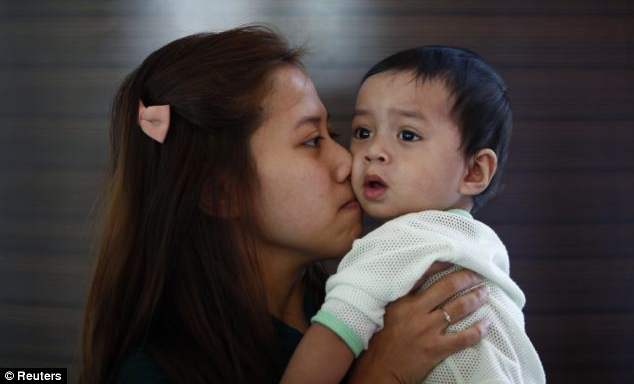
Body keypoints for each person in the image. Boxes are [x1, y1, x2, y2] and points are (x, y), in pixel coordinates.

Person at [79, 28, 491, 384]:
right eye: (312, 141)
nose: (348, 162)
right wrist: (380, 374)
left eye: (335, 135)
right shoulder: (155, 372)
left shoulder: (372, 297)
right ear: (222, 192)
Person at [282, 47, 546, 383]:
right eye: (363, 132)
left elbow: (333, 335)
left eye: (407, 135)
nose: (373, 151)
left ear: (474, 171)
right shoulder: (484, 244)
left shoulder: (396, 243)